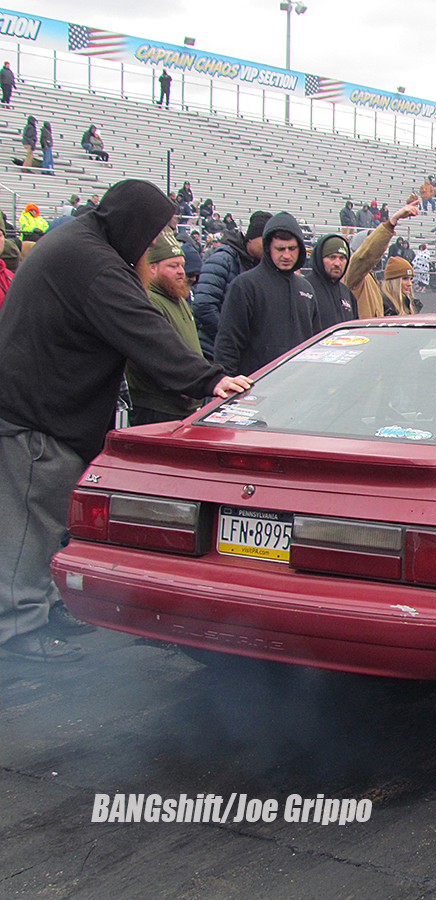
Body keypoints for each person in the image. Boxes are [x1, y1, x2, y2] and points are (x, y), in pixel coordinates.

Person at [0, 180, 251, 662]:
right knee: (27, 525)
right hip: (33, 415)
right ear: (134, 225)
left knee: (47, 520)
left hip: (46, 410)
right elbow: (141, 327)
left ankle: (45, 607)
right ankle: (17, 628)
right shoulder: (93, 263)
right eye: (155, 230)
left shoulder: (80, 243)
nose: (160, 242)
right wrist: (208, 380)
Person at [214, 212, 318, 377]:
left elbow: (315, 343)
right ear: (268, 247)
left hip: (297, 385)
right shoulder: (245, 285)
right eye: (280, 249)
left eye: (292, 249)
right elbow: (228, 343)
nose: (286, 255)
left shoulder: (307, 289)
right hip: (255, 386)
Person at [124, 230, 208, 425]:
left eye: (182, 265)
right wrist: (182, 383)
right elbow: (153, 353)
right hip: (158, 409)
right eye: (173, 266)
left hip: (182, 405)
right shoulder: (149, 301)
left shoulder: (178, 297)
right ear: (151, 268)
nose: (181, 271)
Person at [193, 210, 269, 359]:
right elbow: (204, 306)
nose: (268, 248)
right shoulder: (223, 260)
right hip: (213, 352)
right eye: (264, 241)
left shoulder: (260, 267)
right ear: (251, 238)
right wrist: (230, 337)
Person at [344, 201, 420, 318]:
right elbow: (365, 256)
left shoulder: (368, 278)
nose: (409, 284)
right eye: (405, 278)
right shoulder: (355, 275)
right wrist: (392, 221)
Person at [307, 234, 357, 331]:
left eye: (342, 258)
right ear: (320, 258)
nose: (337, 263)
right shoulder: (306, 289)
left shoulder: (346, 292)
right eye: (331, 257)